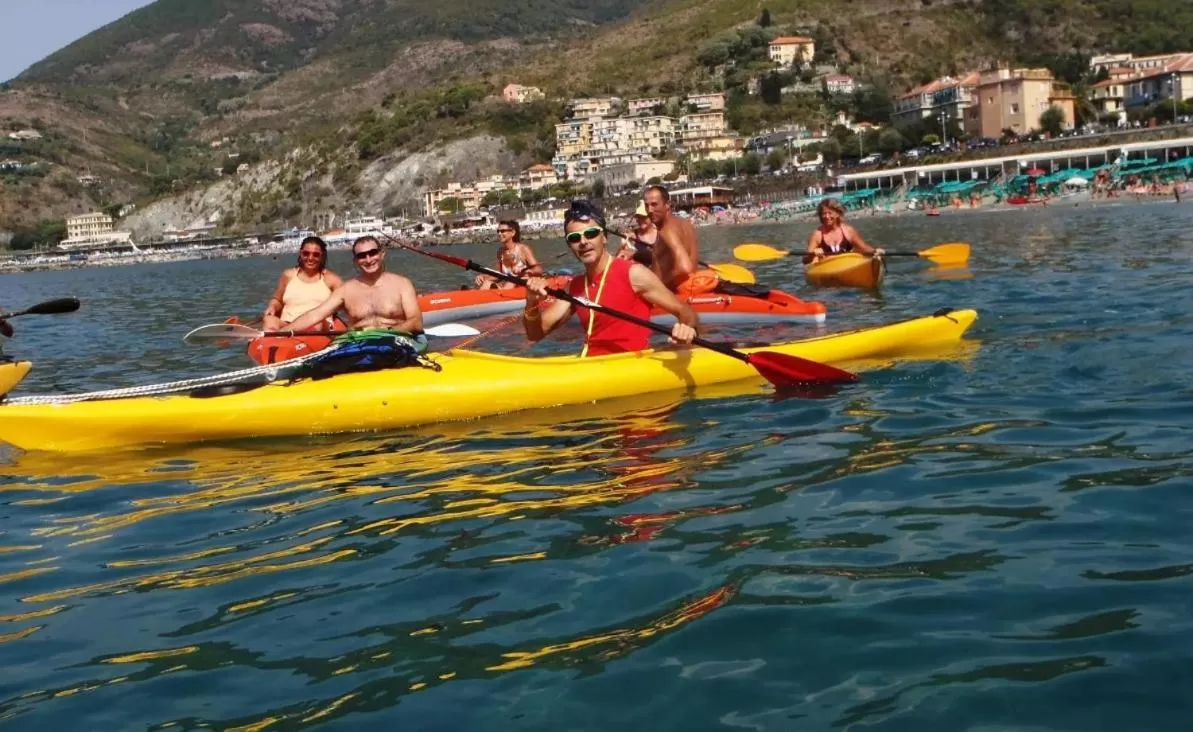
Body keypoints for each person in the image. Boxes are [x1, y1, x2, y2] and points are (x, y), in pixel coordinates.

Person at [522, 200, 699, 357]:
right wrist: (531, 302)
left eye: (591, 233)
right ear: (570, 246)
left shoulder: (634, 274)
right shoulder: (575, 287)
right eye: (575, 238)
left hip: (628, 370)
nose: (583, 242)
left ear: (604, 237)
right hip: (592, 367)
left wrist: (687, 328)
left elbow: (686, 312)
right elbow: (535, 334)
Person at [286, 236, 423, 334]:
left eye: (372, 253)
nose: (368, 260)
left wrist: (384, 335)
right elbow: (315, 315)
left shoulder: (402, 284)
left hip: (398, 341)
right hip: (361, 344)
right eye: (362, 256)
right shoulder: (346, 290)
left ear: (382, 254)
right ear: (356, 261)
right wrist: (281, 332)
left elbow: (416, 321)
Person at [642, 185, 720, 296]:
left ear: (667, 204)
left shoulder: (667, 230)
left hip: (676, 294)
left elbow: (685, 267)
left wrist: (657, 285)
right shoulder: (686, 225)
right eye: (646, 205)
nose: (649, 210)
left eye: (654, 204)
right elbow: (672, 254)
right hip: (691, 291)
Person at [262, 236, 345, 331]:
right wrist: (272, 306)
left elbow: (346, 305)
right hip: (287, 325)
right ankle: (272, 343)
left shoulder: (333, 280)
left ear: (322, 256)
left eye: (316, 255)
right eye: (306, 253)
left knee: (317, 323)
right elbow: (277, 300)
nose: (310, 258)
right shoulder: (288, 275)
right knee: (269, 320)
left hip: (317, 326)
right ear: (300, 253)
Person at [803, 198, 885, 264]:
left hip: (846, 265)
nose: (827, 216)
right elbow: (805, 260)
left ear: (838, 214)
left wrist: (875, 251)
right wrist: (813, 254)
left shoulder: (849, 231)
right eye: (824, 213)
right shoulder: (817, 234)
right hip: (826, 266)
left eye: (830, 213)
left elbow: (863, 248)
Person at [474, 220, 542, 289]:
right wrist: (484, 277)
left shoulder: (523, 249)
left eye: (503, 231)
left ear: (513, 233)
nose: (499, 234)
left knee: (511, 282)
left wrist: (527, 271)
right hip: (508, 286)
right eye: (498, 231)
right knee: (486, 283)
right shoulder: (500, 252)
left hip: (523, 285)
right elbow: (500, 275)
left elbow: (538, 269)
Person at [616, 200, 657, 268]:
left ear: (651, 217)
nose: (640, 220)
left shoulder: (661, 233)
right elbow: (619, 259)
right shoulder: (631, 236)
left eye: (643, 217)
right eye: (638, 217)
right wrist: (622, 247)